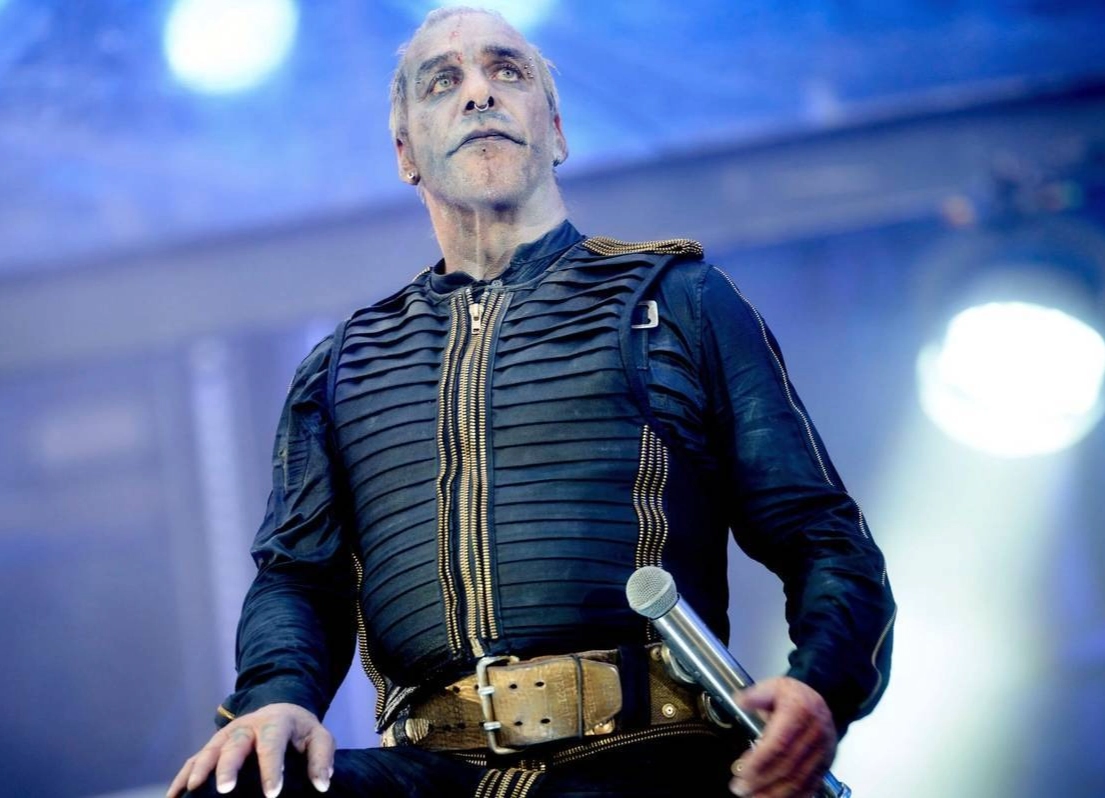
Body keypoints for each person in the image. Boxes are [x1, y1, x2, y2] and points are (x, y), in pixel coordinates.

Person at [167, 7, 896, 798]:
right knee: (231, 788)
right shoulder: (342, 365)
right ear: (405, 152)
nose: (479, 93)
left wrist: (821, 685)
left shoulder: (679, 300)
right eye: (442, 82)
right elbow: (297, 579)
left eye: (506, 71)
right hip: (433, 775)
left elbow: (821, 534)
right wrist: (275, 699)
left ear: (555, 131)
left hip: (651, 756)